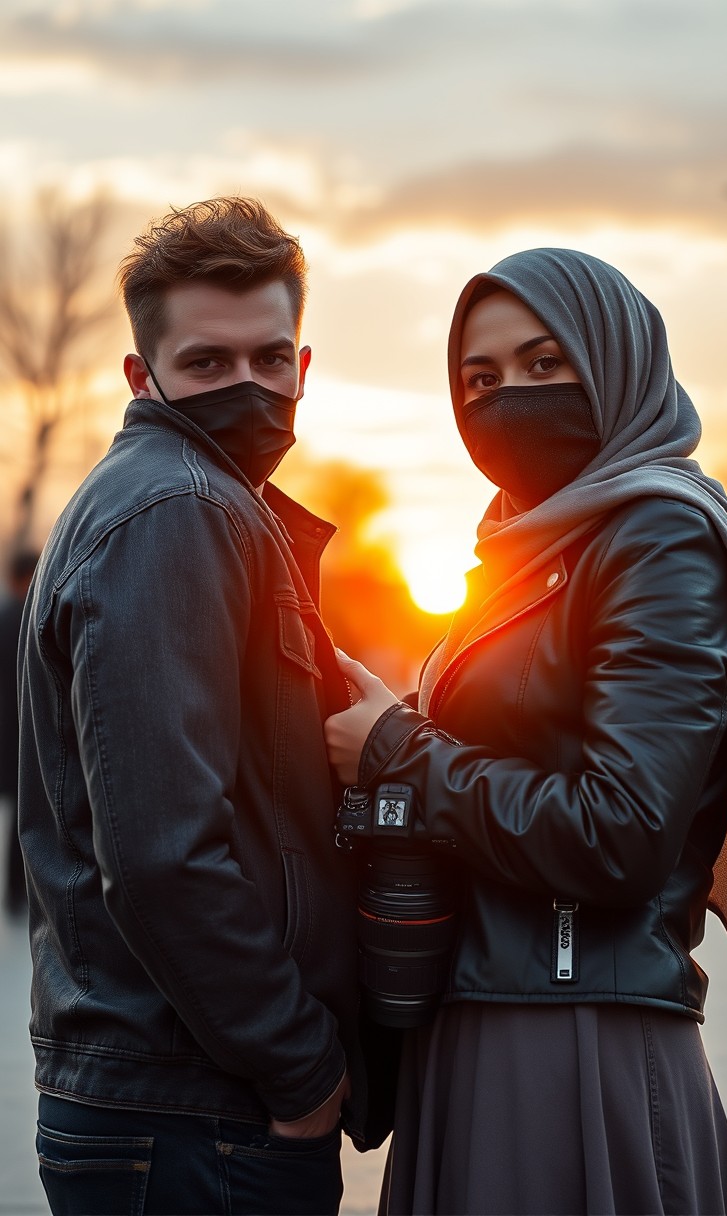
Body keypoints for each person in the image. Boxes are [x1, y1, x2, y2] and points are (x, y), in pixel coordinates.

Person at [325, 248, 727, 1216]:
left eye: (545, 363)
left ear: (616, 362)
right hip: (480, 1019)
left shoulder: (657, 540)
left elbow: (619, 830)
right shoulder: (518, 552)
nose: (508, 398)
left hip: (572, 1034)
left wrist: (397, 748)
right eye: (480, 379)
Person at [17, 197, 373, 1216]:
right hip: (195, 1108)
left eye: (269, 359)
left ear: (304, 368)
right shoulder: (178, 510)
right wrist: (301, 1068)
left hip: (180, 1100)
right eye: (207, 364)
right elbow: (165, 849)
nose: (247, 387)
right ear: (144, 376)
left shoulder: (197, 500)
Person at [0, 548, 39, 916]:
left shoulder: (5, 614)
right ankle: (16, 891)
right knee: (24, 812)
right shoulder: (27, 617)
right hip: (19, 726)